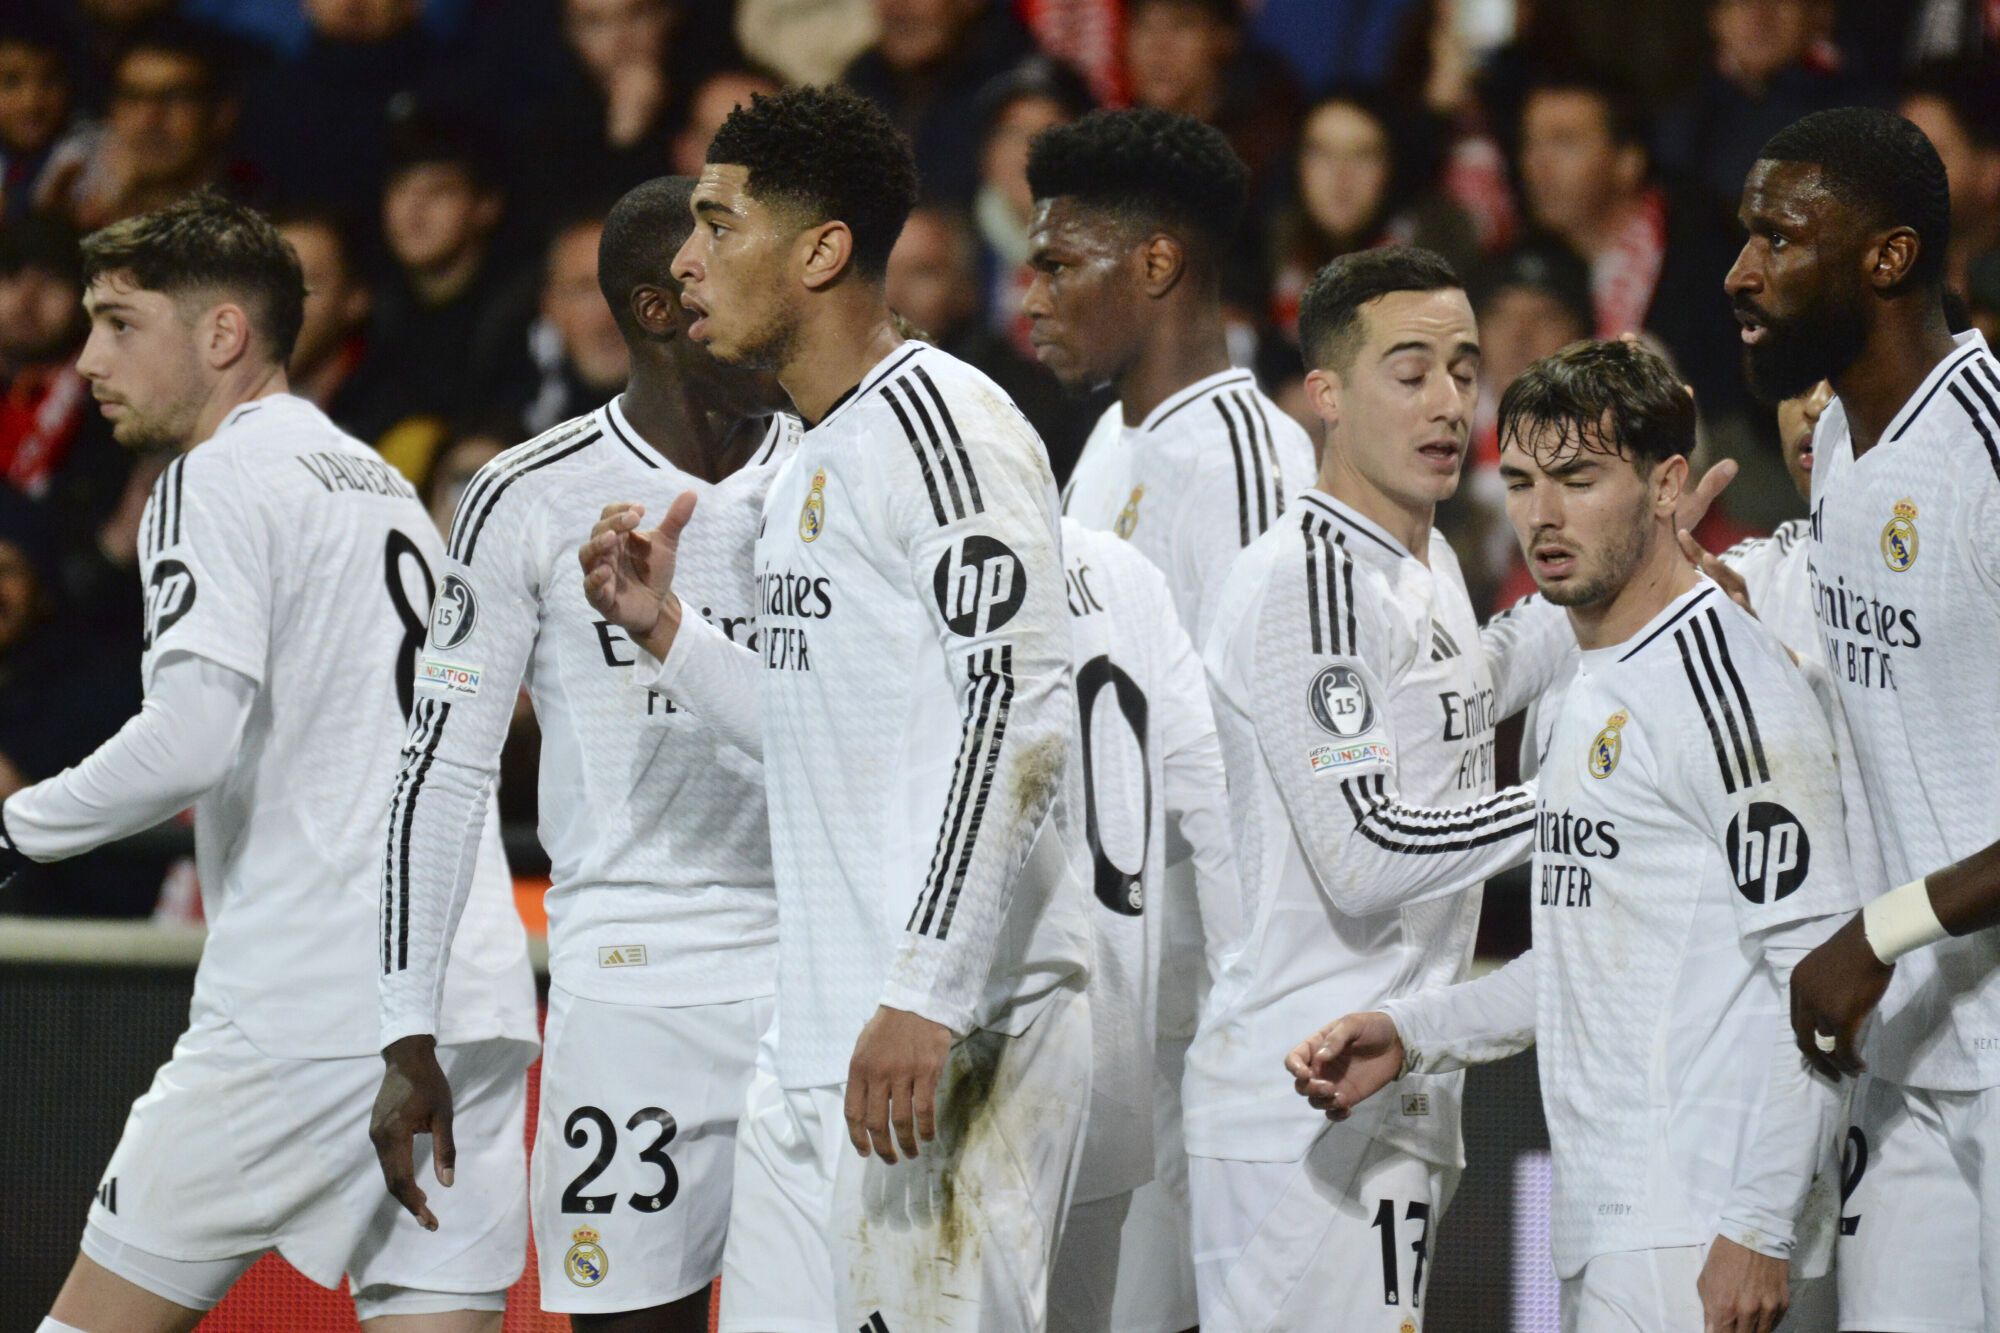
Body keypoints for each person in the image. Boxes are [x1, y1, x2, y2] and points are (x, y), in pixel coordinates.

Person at [580, 86, 1092, 1332]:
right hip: (813, 1038)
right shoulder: (806, 454)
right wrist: (668, 632)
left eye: (716, 222)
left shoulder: (945, 426)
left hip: (950, 1031)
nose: (685, 259)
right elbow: (814, 728)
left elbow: (1019, 712)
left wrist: (926, 988)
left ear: (820, 250)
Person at [0, 191, 536, 1331]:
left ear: (223, 335)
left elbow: (190, 736)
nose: (88, 357)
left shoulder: (217, 477)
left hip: (311, 993)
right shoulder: (383, 489)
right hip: (466, 987)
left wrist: (16, 827)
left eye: (119, 322)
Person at [1297, 337, 1859, 1332]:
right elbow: (1584, 956)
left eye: (1577, 478)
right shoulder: (1584, 688)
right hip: (1608, 1223)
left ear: (1665, 484)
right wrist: (1413, 1031)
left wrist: (1757, 1229)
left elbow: (1822, 975)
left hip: (1698, 1238)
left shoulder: (1728, 696)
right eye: (1519, 481)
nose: (1541, 518)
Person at [373, 176, 794, 1333]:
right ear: (661, 308)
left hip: (815, 985)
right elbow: (441, 767)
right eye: (735, 268)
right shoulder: (525, 494)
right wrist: (407, 1030)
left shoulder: (830, 467)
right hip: (631, 998)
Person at [1181, 246, 1561, 1332]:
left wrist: (1627, 575)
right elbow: (1363, 854)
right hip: (1294, 1090)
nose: (1447, 401)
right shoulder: (1309, 579)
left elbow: (1467, 689)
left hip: (1384, 1081)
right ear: (1328, 395)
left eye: (1461, 367)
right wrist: (1574, 804)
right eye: (1409, 372)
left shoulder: (1422, 562)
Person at [1022, 104, 1316, 1331]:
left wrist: (1246, 1030)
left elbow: (1258, 774)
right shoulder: (1101, 443)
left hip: (1199, 1027)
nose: (1024, 290)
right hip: (1103, 1014)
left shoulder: (1251, 464)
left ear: (1154, 264)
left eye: (1054, 261)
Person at [1725, 107, 2000, 1331]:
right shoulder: (1835, 436)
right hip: (1909, 1059)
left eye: (1776, 239)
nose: (1739, 272)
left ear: (1885, 259)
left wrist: (1874, 931)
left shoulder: (1986, 454)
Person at [1047, 515, 1237, 1333]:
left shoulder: (915, 557)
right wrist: (1245, 1009)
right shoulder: (1127, 570)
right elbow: (1216, 805)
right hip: (1112, 1060)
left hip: (967, 1064)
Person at [36, 20, 243, 231]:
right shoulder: (72, 221)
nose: (149, 119)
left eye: (174, 97)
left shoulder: (257, 235)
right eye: (132, 97)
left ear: (221, 114)